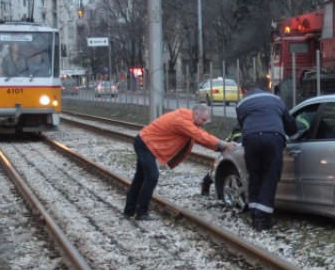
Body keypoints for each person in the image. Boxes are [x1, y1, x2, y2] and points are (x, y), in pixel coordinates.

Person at [124, 104, 237, 221]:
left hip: (145, 142)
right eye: (203, 120)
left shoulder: (189, 120)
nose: (204, 123)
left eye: (206, 121)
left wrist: (219, 148)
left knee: (140, 178)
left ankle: (130, 210)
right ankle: (141, 212)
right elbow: (201, 136)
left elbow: (200, 138)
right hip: (145, 144)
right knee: (152, 177)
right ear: (196, 114)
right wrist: (223, 144)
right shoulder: (183, 121)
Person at [236, 78, 299, 231]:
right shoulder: (275, 99)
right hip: (273, 138)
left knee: (255, 175)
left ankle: (254, 214)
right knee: (271, 175)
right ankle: (262, 219)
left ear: (244, 92)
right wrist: (296, 136)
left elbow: (242, 124)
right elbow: (289, 122)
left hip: (250, 140)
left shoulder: (241, 104)